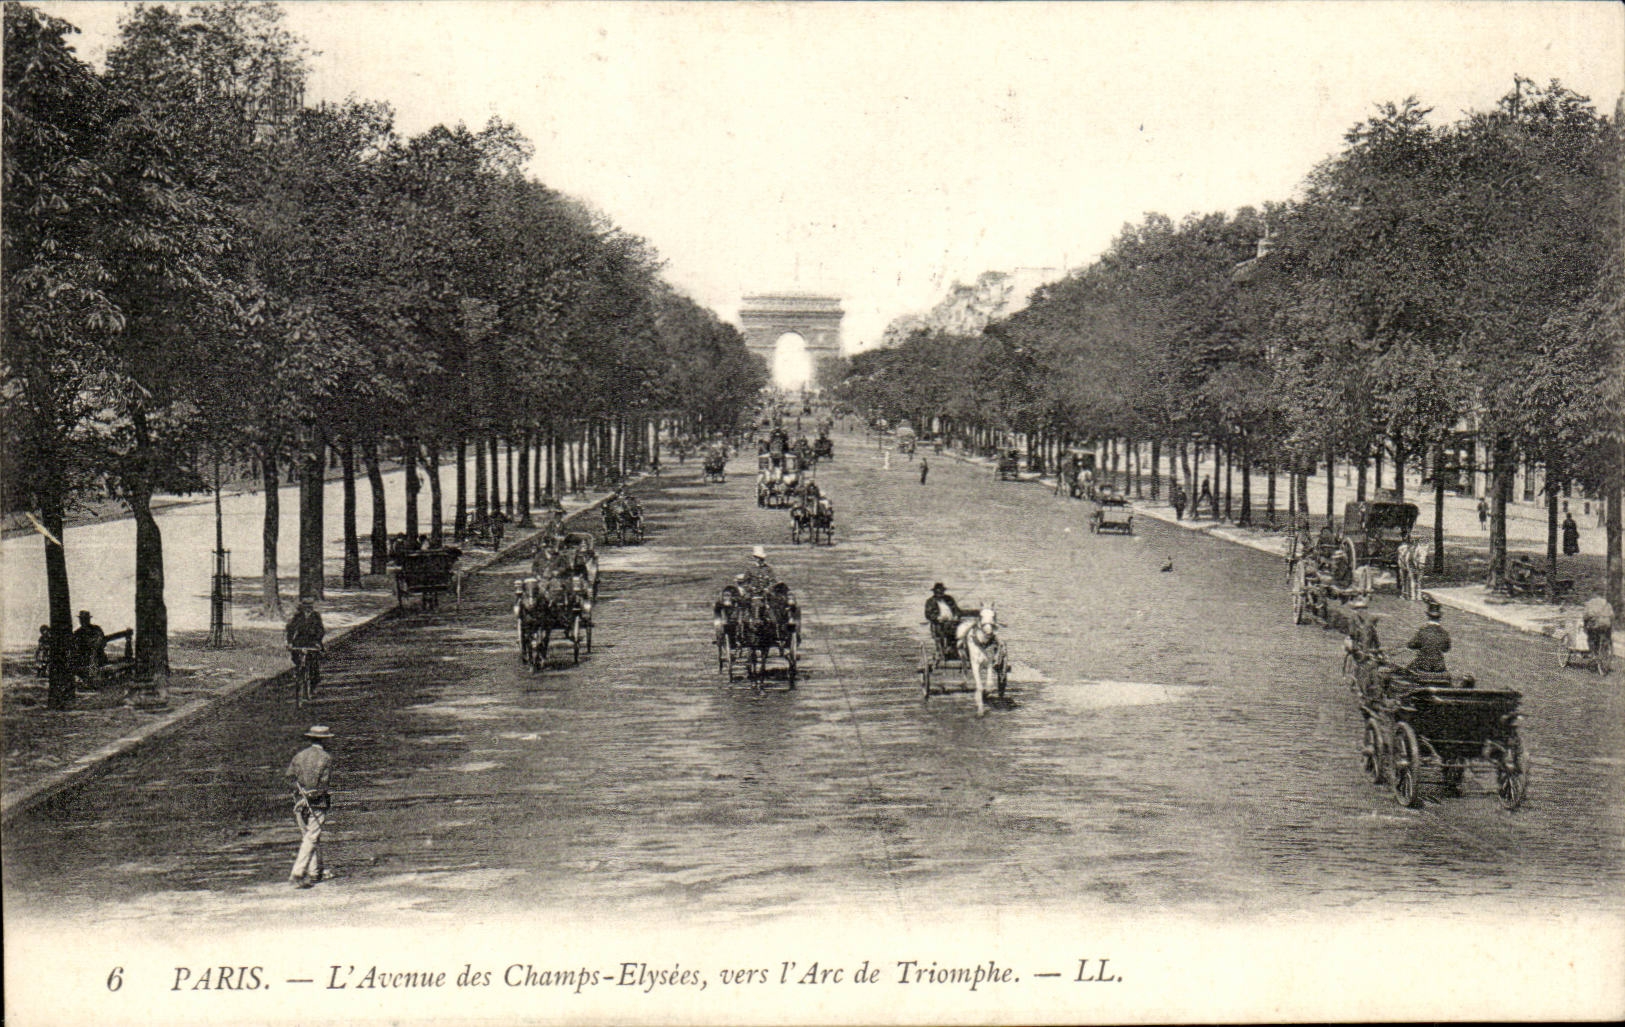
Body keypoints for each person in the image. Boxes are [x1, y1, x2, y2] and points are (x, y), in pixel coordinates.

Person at [285, 725, 334, 888]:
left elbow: (290, 778)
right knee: (312, 836)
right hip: (317, 802)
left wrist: (301, 794)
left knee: (309, 836)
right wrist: (311, 796)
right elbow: (323, 784)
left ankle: (315, 873)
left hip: (299, 802)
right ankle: (297, 873)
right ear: (325, 741)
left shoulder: (299, 756)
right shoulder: (326, 758)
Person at [1345, 595, 1382, 697]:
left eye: (1361, 609)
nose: (1361, 611)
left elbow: (1352, 634)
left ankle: (1363, 686)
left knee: (1364, 664)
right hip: (1364, 648)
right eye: (1360, 609)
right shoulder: (1366, 620)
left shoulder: (1355, 619)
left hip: (1364, 648)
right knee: (1366, 664)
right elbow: (1374, 636)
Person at [1404, 597, 1452, 676]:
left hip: (1423, 665)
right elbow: (1446, 649)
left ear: (1428, 616)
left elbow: (1411, 645)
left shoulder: (1423, 631)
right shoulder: (1444, 633)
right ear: (1439, 618)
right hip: (1439, 667)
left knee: (1406, 671)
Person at [285, 599, 326, 690]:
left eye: (309, 606)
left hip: (313, 641)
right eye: (305, 606)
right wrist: (290, 642)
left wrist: (317, 640)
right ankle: (299, 671)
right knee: (296, 656)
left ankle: (314, 679)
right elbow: (291, 630)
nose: (307, 609)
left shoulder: (316, 616)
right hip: (300, 641)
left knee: (314, 660)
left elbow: (321, 630)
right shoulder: (297, 617)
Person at [71, 610, 106, 686]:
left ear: (88, 619)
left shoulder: (96, 629)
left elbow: (101, 641)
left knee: (93, 657)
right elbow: (74, 645)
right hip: (82, 657)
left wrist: (93, 646)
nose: (83, 621)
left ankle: (92, 680)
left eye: (85, 619)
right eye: (81, 619)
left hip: (96, 655)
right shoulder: (78, 632)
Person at [1582, 595, 1614, 660]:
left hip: (1596, 624)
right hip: (1606, 624)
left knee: (1590, 637)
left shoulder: (1591, 603)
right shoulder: (1607, 603)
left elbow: (1586, 616)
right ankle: (1606, 650)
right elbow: (1612, 616)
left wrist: (1585, 625)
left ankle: (1593, 653)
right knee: (1605, 635)